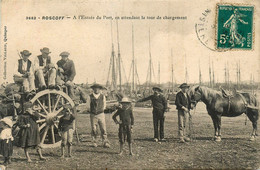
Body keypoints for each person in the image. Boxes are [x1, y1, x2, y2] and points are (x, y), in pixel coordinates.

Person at [86, 83, 110, 148]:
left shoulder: (102, 96)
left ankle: (105, 142)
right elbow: (88, 106)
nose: (96, 90)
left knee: (103, 128)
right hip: (93, 115)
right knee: (94, 129)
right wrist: (92, 111)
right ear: (93, 89)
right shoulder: (90, 96)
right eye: (95, 88)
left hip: (101, 114)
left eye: (98, 89)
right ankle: (94, 142)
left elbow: (104, 105)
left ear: (99, 89)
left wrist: (101, 110)